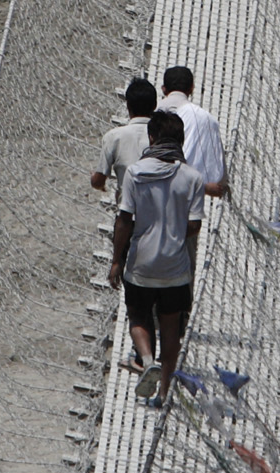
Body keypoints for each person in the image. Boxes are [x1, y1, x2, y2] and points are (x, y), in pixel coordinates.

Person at [111, 109, 227, 403]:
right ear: (181, 140)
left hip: (141, 262)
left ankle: (147, 359)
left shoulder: (136, 173)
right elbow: (194, 225)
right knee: (171, 328)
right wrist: (172, 233)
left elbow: (124, 220)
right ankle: (163, 393)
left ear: (151, 138)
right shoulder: (193, 177)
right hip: (176, 267)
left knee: (137, 316)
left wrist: (116, 260)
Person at [158, 66, 227, 203]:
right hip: (184, 204)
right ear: (191, 88)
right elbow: (218, 177)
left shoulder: (150, 111)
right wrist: (205, 187)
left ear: (163, 89)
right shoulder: (204, 118)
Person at [91, 75, 159, 207]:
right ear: (155, 105)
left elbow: (98, 181)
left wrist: (95, 179)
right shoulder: (163, 135)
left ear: (128, 105)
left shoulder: (114, 137)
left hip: (127, 212)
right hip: (157, 213)